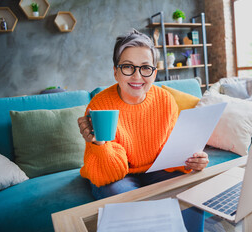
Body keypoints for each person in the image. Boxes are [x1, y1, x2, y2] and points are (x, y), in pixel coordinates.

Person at [77, 29, 209, 200]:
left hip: (156, 169)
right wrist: (99, 144)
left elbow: (170, 151)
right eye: (127, 67)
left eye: (145, 67)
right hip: (116, 172)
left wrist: (192, 160)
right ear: (116, 72)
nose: (137, 76)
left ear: (154, 73)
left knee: (190, 188)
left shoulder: (166, 100)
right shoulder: (99, 106)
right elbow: (107, 173)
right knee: (119, 196)